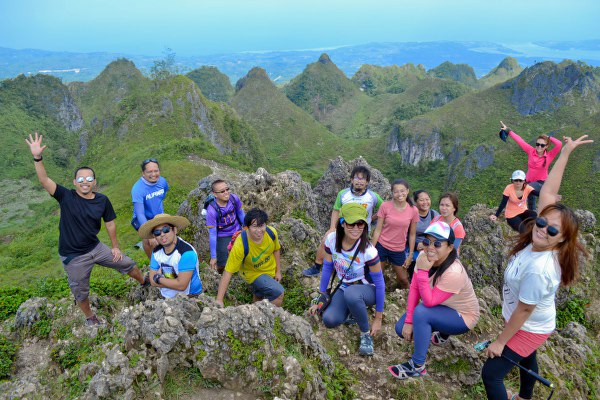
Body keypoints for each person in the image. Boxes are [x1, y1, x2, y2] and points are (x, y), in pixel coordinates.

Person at [481, 135, 592, 400]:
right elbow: (548, 192)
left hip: (531, 325)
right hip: (531, 322)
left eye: (552, 229)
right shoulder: (544, 240)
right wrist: (565, 152)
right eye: (541, 222)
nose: (542, 229)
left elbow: (525, 309)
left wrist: (500, 341)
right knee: (527, 359)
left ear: (563, 238)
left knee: (492, 373)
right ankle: (526, 397)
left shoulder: (540, 268)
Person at [26, 132, 148, 326]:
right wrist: (37, 157)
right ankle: (90, 317)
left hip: (96, 248)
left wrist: (115, 247)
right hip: (74, 256)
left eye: (89, 178)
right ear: (74, 183)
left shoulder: (102, 200)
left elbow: (110, 223)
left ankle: (144, 284)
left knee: (129, 264)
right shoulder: (66, 196)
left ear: (94, 182)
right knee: (80, 290)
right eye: (80, 179)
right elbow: (44, 180)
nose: (85, 182)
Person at [389, 221, 480, 379]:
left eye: (437, 243)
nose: (430, 247)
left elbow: (429, 302)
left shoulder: (454, 272)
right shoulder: (424, 257)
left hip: (463, 316)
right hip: (443, 306)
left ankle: (417, 366)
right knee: (401, 329)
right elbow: (415, 289)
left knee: (422, 312)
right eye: (427, 241)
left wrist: (423, 272)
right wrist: (409, 320)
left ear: (450, 247)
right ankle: (443, 330)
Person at [308, 203, 385, 356]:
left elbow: (380, 284)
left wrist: (378, 318)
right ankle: (353, 310)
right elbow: (328, 268)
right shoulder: (332, 239)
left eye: (360, 223)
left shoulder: (369, 251)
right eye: (351, 223)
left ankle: (365, 334)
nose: (356, 228)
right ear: (342, 223)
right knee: (329, 320)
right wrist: (321, 296)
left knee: (352, 294)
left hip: (368, 289)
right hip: (345, 286)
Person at [303, 165, 383, 276]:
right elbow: (336, 210)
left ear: (367, 182)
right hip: (344, 227)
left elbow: (384, 209)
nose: (359, 181)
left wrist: (373, 219)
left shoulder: (373, 197)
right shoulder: (343, 194)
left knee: (361, 253)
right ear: (351, 180)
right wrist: (332, 228)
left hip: (361, 230)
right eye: (357, 178)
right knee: (326, 239)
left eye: (363, 178)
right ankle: (317, 266)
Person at [215, 208, 283, 307]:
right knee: (279, 293)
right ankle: (271, 318)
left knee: (259, 296)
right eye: (254, 226)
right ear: (247, 227)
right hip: (252, 274)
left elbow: (276, 250)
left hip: (269, 270)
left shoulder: (271, 233)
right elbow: (228, 272)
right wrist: (219, 300)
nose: (259, 230)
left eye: (262, 226)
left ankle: (255, 313)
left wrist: (278, 271)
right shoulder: (241, 244)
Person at [500, 121, 562, 211]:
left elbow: (559, 144)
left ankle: (550, 196)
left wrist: (549, 137)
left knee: (527, 189)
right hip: (529, 181)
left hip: (541, 183)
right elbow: (520, 141)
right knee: (531, 202)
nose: (539, 147)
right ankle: (532, 217)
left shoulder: (549, 156)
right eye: (537, 144)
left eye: (542, 145)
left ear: (546, 146)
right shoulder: (531, 151)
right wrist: (508, 131)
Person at [138, 214, 202, 298]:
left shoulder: (186, 253)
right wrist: (174, 282)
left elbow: (182, 286)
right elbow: (152, 282)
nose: (162, 234)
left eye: (166, 229)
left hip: (189, 297)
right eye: (157, 232)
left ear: (174, 230)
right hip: (166, 296)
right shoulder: (156, 252)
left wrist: (158, 278)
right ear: (154, 236)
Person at [371, 179, 418, 289]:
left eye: (402, 191)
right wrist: (372, 248)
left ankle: (410, 302)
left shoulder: (413, 210)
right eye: (396, 191)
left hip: (398, 249)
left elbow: (412, 234)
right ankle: (379, 300)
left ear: (407, 191)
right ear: (392, 193)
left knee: (404, 280)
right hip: (382, 245)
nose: (399, 194)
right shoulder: (385, 206)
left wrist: (410, 254)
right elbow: (378, 230)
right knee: (378, 277)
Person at [131, 158, 169, 258]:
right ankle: (152, 263)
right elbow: (140, 214)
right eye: (149, 172)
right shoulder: (138, 189)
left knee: (165, 236)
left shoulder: (162, 182)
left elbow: (163, 194)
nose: (153, 174)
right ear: (143, 173)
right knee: (149, 241)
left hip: (158, 215)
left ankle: (167, 260)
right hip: (143, 218)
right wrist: (149, 234)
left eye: (156, 171)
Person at [206, 179, 246, 274]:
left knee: (245, 253)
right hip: (223, 235)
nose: (226, 193)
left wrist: (246, 227)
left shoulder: (233, 198)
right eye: (222, 191)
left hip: (237, 230)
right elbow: (212, 234)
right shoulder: (211, 210)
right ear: (215, 194)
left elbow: (240, 213)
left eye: (227, 189)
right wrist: (213, 257)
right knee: (223, 263)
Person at [408, 190, 440, 280]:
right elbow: (405, 234)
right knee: (415, 260)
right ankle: (414, 282)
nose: (425, 202)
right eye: (422, 200)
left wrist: (428, 244)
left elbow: (438, 234)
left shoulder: (434, 214)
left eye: (427, 199)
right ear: (415, 202)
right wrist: (416, 245)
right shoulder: (410, 215)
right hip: (413, 245)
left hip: (429, 244)